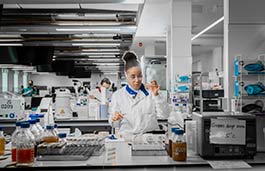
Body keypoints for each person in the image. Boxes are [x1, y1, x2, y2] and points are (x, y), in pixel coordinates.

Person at [109, 51, 171, 140]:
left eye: (140, 76)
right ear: (126, 74)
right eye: (133, 76)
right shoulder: (118, 96)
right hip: (127, 139)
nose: (137, 80)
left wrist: (157, 95)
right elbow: (114, 124)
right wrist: (115, 118)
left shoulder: (151, 92)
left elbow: (165, 115)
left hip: (149, 139)